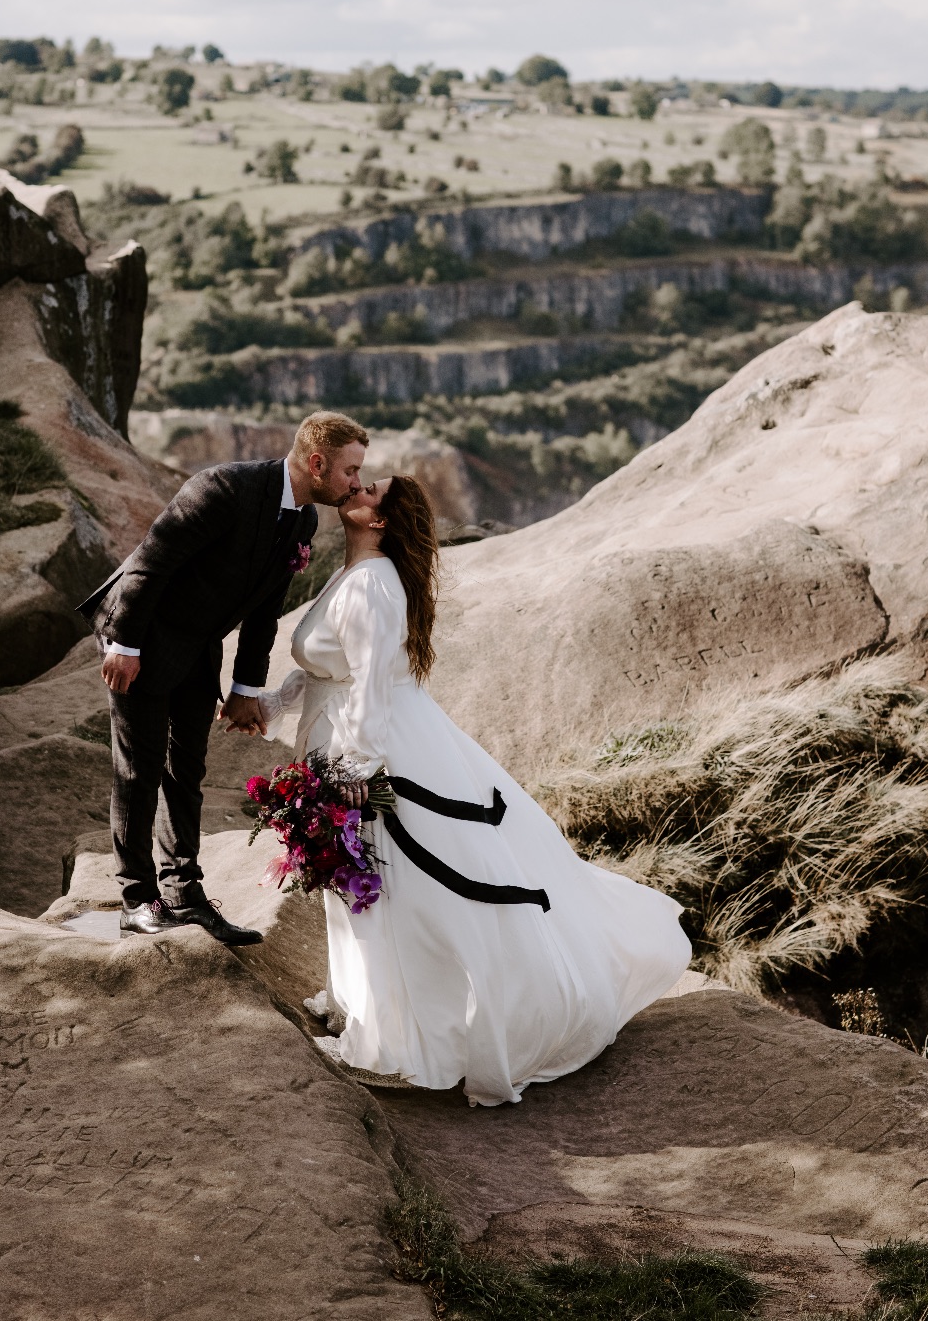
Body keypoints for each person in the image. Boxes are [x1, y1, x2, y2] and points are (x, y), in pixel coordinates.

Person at [259, 473, 692, 1108]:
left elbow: (373, 688)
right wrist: (272, 702)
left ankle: (402, 1037)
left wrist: (357, 774)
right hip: (344, 739)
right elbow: (331, 668)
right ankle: (363, 1002)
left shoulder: (375, 584)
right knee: (357, 874)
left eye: (368, 488)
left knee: (388, 879)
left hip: (375, 752)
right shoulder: (356, 572)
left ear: (378, 521)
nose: (355, 485)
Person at [77, 411, 369, 938]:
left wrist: (245, 691)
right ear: (317, 462)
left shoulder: (302, 521)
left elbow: (265, 609)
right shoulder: (223, 488)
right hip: (144, 634)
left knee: (185, 771)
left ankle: (183, 893)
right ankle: (136, 900)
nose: (356, 483)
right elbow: (151, 561)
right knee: (139, 770)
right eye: (350, 471)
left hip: (199, 646)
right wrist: (124, 644)